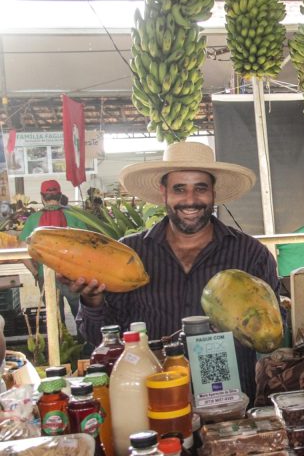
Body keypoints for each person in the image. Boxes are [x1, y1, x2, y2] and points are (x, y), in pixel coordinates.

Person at [67, 141, 283, 402]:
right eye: (179, 189)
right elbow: (97, 337)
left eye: (200, 188)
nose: (190, 200)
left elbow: (273, 334)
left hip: (229, 403)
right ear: (163, 192)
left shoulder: (251, 254)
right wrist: (92, 301)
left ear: (213, 192)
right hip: (151, 399)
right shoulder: (129, 255)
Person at [20, 179, 87, 322]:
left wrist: (35, 272)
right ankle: (86, 343)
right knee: (82, 315)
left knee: (55, 319)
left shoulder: (33, 219)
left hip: (46, 275)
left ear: (42, 196)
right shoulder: (76, 216)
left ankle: (61, 344)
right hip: (73, 274)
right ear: (60, 195)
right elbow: (88, 246)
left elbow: (22, 251)